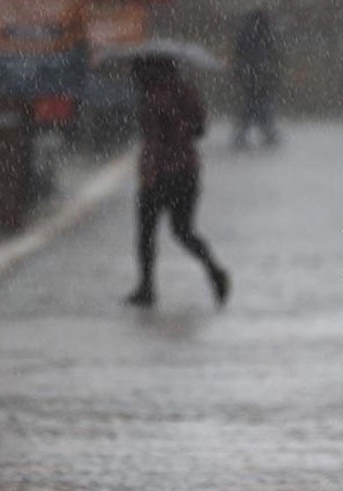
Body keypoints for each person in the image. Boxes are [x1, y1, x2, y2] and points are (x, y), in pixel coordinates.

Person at [127, 57, 229, 308]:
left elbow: (152, 141)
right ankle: (214, 269)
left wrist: (150, 171)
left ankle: (147, 287)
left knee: (146, 232)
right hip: (187, 172)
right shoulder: (186, 91)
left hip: (159, 173)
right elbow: (200, 129)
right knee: (184, 230)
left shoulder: (151, 98)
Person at [232, 8, 280, 148]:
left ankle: (244, 133)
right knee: (261, 105)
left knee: (250, 104)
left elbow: (239, 52)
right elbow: (271, 52)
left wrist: (240, 71)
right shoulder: (264, 32)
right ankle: (266, 132)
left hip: (251, 75)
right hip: (260, 75)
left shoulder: (247, 32)